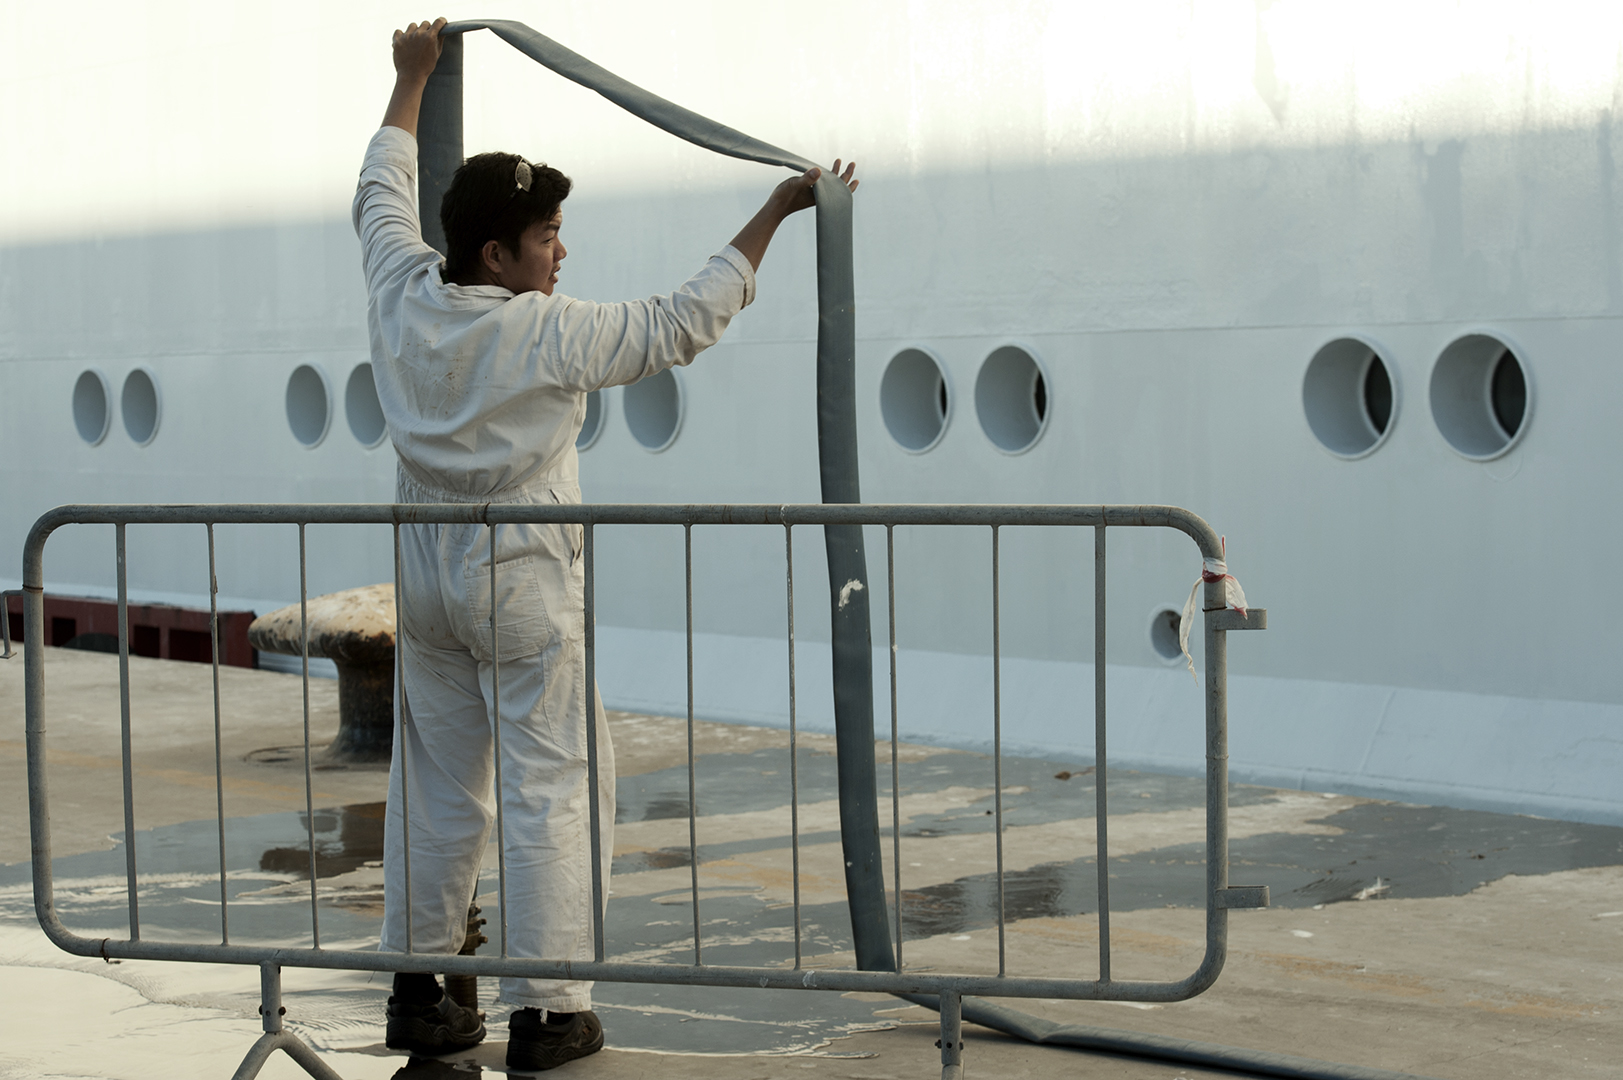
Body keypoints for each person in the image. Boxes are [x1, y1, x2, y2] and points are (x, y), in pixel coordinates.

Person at [354, 17, 858, 1071]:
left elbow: (380, 193)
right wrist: (773, 210)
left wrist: (409, 82)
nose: (560, 252)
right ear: (499, 254)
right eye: (546, 239)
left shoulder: (402, 295)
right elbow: (685, 320)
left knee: (436, 781)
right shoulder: (546, 330)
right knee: (552, 782)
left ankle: (420, 990)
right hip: (523, 583)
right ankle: (549, 1011)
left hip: (428, 584)